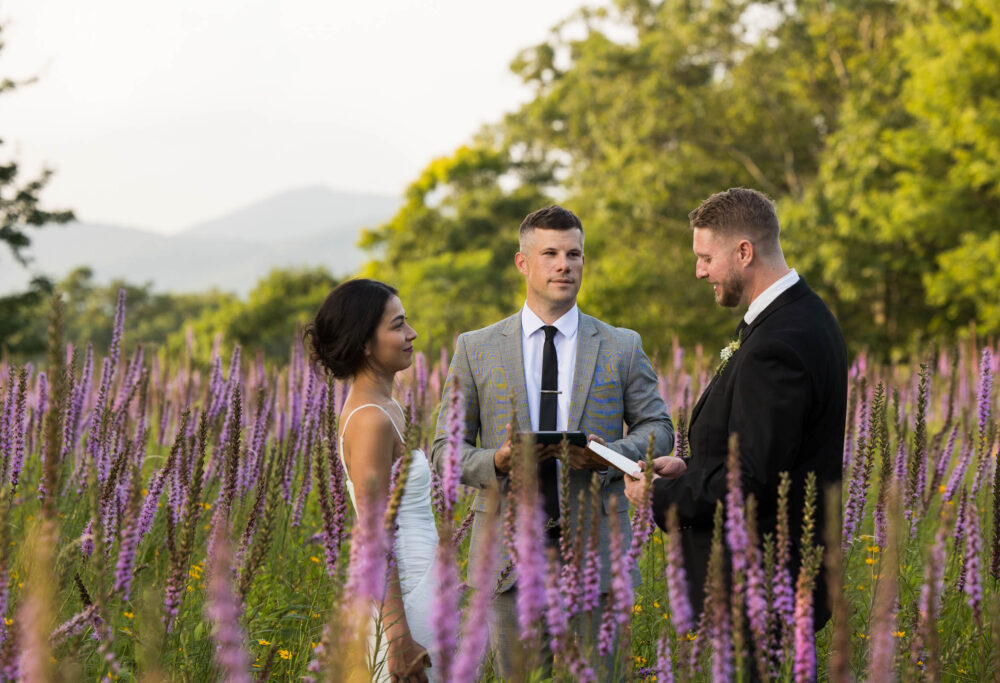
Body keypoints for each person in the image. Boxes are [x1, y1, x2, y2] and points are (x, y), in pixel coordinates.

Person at [431, 205, 677, 680]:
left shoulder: (621, 345)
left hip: (598, 559)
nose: (564, 264)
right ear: (523, 263)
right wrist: (497, 462)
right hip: (508, 564)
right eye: (550, 253)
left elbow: (658, 426)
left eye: (574, 254)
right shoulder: (475, 348)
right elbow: (446, 450)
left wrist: (608, 456)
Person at [625, 187, 847, 653]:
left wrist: (659, 494)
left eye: (706, 257)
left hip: (763, 589)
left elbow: (750, 480)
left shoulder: (777, 343)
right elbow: (763, 451)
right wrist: (690, 467)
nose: (699, 270)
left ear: (744, 252)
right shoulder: (798, 318)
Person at [306, 279, 438, 683]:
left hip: (420, 581)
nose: (411, 333)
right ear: (365, 343)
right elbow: (374, 533)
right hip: (401, 601)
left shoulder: (388, 406)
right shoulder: (370, 419)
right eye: (398, 325)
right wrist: (397, 634)